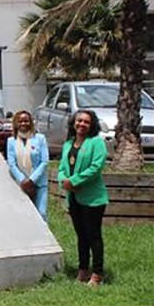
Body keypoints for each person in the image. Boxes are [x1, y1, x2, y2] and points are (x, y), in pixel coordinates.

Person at [58, 109, 109, 287]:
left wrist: (74, 181)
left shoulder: (96, 143)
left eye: (86, 122)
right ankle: (83, 269)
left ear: (92, 125)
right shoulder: (68, 144)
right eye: (79, 121)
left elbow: (96, 167)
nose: (82, 124)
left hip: (92, 198)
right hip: (73, 197)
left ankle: (98, 272)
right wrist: (64, 181)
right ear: (73, 123)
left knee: (93, 235)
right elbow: (62, 168)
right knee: (81, 235)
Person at [6, 110, 49, 221]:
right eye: (20, 121)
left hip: (39, 183)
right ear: (16, 123)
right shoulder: (11, 141)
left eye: (26, 121)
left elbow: (44, 161)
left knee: (41, 214)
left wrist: (31, 180)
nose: (23, 124)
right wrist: (22, 180)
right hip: (21, 184)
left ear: (31, 123)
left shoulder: (40, 139)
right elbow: (11, 163)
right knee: (24, 216)